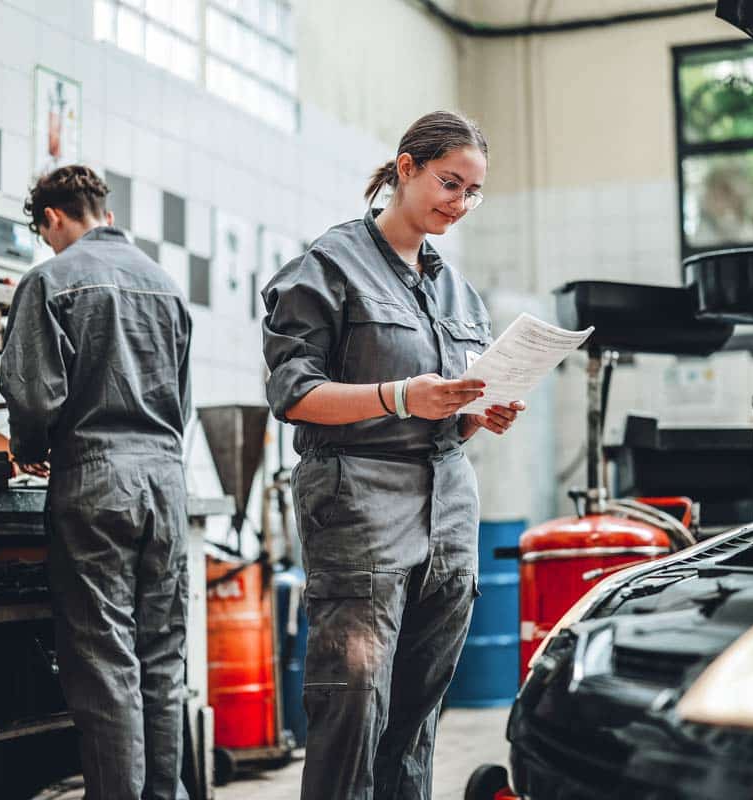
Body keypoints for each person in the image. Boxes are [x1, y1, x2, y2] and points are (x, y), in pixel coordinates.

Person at [262, 110, 525, 800]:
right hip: (361, 510)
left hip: (447, 513)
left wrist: (473, 417)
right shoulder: (328, 267)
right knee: (353, 705)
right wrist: (404, 396)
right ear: (405, 167)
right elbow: (294, 394)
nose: (459, 203)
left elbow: (444, 416)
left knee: (415, 715)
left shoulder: (457, 293)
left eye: (473, 191)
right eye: (449, 182)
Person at [0, 165, 193, 800]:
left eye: (44, 232)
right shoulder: (166, 284)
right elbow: (181, 405)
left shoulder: (49, 280)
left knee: (106, 660)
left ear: (53, 218)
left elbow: (33, 397)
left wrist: (28, 450)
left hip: (95, 481)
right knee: (162, 660)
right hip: (166, 481)